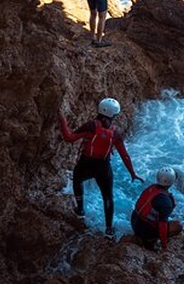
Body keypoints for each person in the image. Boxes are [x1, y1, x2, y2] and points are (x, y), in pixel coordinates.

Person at [60, 97, 143, 236]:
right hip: (103, 167)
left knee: (77, 180)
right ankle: (109, 230)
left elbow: (69, 138)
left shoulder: (91, 126)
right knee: (108, 197)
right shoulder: (115, 133)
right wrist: (132, 173)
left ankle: (80, 210)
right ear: (113, 114)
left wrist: (62, 120)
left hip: (86, 163)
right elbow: (125, 155)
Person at [131, 167, 183, 251]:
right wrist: (164, 247)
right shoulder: (166, 202)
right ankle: (150, 240)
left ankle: (147, 236)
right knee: (178, 225)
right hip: (143, 230)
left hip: (134, 220)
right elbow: (163, 225)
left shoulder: (151, 188)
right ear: (171, 182)